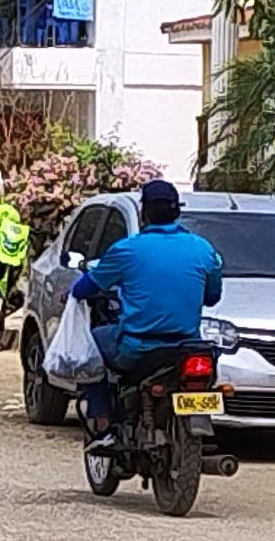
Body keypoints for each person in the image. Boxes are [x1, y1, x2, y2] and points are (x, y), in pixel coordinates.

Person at [73, 180, 222, 438]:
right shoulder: (203, 249)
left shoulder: (127, 250)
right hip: (187, 347)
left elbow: (85, 288)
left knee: (93, 341)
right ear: (176, 211)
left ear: (145, 212)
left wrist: (72, 292)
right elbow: (212, 297)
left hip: (137, 349)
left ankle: (102, 422)